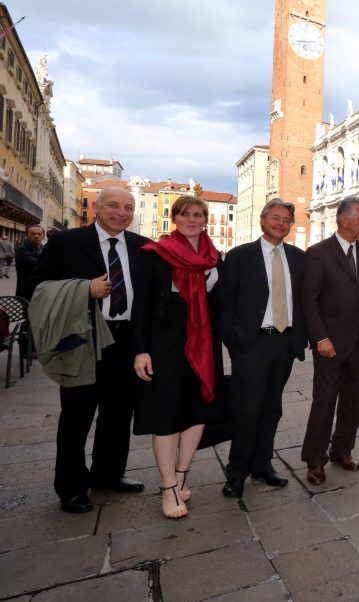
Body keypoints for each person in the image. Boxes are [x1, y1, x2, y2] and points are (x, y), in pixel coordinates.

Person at [35, 187, 147, 514]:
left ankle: (108, 475)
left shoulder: (144, 247)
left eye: (128, 207)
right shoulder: (65, 243)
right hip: (85, 338)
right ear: (96, 207)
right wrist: (85, 289)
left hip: (126, 341)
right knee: (77, 416)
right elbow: (35, 287)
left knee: (118, 414)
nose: (121, 212)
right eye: (114, 205)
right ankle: (70, 487)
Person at [132, 196, 223, 519]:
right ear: (174, 218)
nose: (192, 220)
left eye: (198, 215)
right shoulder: (155, 254)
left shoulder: (214, 257)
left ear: (205, 220)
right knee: (167, 414)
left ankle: (182, 473)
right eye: (185, 214)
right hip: (165, 345)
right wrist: (140, 349)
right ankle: (167, 485)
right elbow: (140, 306)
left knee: (197, 411)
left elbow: (220, 305)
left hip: (203, 344)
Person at [219, 199, 308, 498]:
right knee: (247, 409)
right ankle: (236, 472)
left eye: (286, 220)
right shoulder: (239, 256)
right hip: (251, 343)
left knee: (272, 408)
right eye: (275, 217)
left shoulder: (298, 257)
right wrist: (235, 340)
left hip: (284, 342)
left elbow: (305, 300)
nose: (280, 223)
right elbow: (225, 302)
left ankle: (262, 465)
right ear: (262, 219)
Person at [301, 197, 359, 485]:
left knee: (354, 401)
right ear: (343, 219)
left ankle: (342, 450)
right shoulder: (318, 253)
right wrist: (320, 337)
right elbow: (309, 301)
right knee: (324, 402)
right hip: (330, 344)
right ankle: (315, 460)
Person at [15, 224, 45, 300]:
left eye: (39, 234)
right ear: (27, 235)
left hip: (41, 290)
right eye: (33, 234)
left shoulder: (43, 248)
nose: (36, 236)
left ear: (43, 236)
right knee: (27, 311)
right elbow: (38, 264)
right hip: (27, 291)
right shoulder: (22, 250)